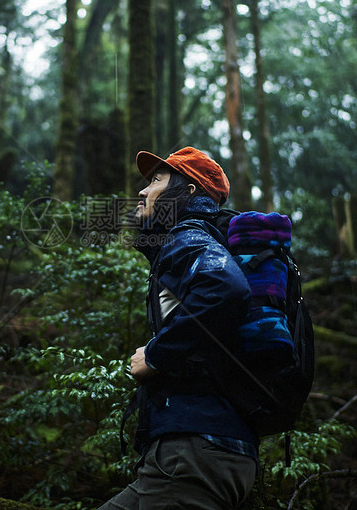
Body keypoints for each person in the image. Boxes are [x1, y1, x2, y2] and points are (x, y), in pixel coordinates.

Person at [100, 147, 258, 510]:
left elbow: (227, 288)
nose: (142, 191)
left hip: (193, 453)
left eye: (156, 180)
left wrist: (156, 355)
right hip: (198, 452)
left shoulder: (187, 235)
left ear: (187, 192)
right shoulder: (194, 240)